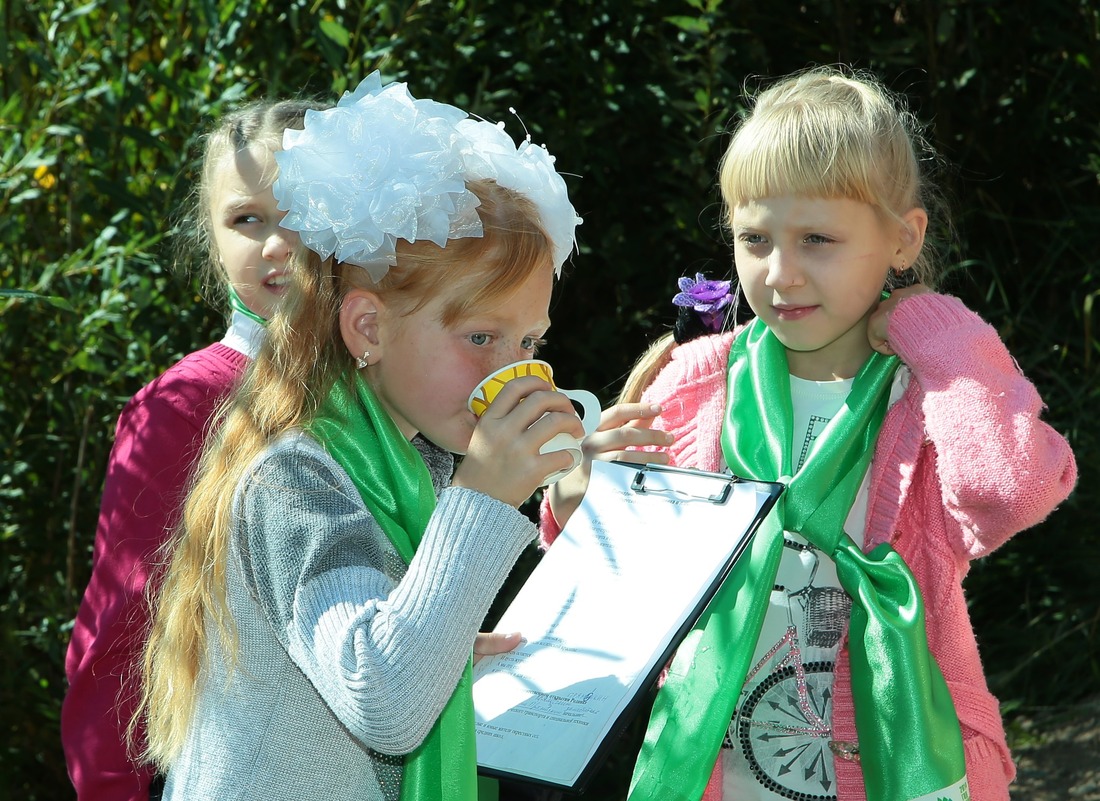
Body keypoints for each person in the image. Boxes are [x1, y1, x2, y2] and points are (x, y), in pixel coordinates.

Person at [540, 66, 1077, 801]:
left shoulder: (930, 397)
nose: (780, 273)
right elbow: (618, 584)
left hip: (906, 764)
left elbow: (1006, 492)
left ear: (903, 238)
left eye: (817, 238)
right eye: (755, 237)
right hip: (716, 769)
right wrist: (578, 499)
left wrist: (938, 329)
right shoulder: (697, 383)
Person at [132, 72, 597, 801]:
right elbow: (381, 699)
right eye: (481, 334)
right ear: (370, 327)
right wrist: (480, 499)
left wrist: (444, 646)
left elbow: (382, 651)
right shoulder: (295, 478)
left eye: (529, 338)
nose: (514, 368)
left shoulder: (417, 459)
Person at [62, 98, 324, 801]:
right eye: (248, 219)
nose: (276, 242)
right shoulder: (180, 408)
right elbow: (118, 644)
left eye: (302, 212)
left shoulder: (392, 400)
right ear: (213, 241)